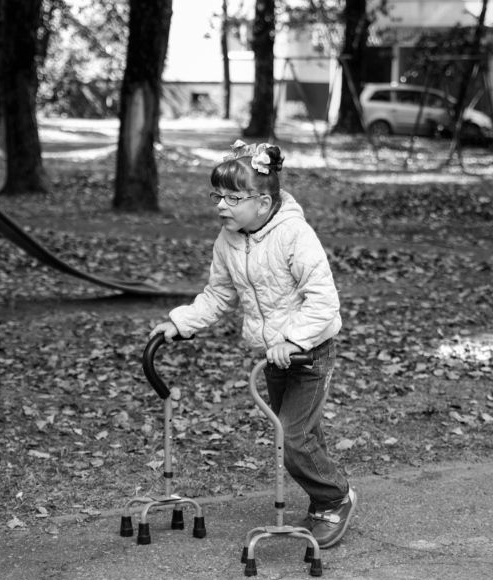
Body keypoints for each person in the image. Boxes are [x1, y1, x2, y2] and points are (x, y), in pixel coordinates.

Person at [149, 140, 356, 549]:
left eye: (232, 198)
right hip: (275, 357)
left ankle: (335, 499)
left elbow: (324, 301)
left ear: (262, 202)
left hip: (309, 352)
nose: (221, 206)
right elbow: (218, 295)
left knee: (293, 438)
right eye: (217, 196)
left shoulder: (294, 234)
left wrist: (294, 339)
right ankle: (323, 498)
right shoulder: (228, 240)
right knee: (299, 435)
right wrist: (180, 323)